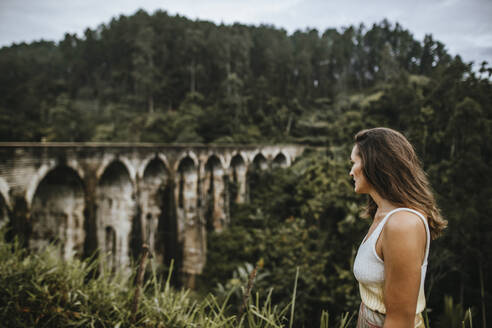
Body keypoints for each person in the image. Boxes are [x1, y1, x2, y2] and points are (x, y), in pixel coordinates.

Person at [350, 127, 447, 328]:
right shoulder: (381, 214)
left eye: (354, 163)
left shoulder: (402, 225)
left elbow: (401, 320)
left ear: (372, 164)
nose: (351, 172)